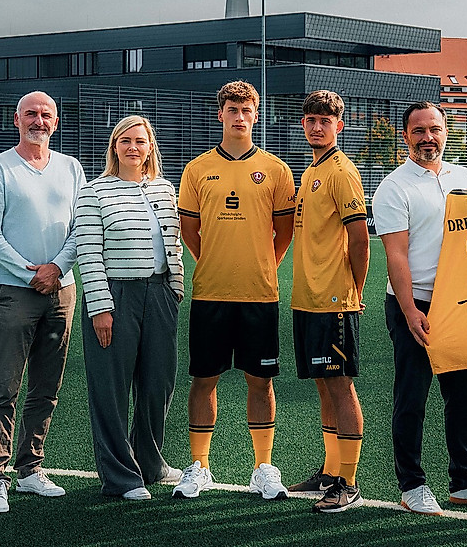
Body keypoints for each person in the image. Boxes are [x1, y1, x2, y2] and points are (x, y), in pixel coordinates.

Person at [372, 101, 467, 516]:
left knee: (464, 396)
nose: (428, 138)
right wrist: (410, 311)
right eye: (419, 131)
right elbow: (396, 257)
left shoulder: (463, 177)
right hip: (413, 303)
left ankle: (466, 481)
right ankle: (412, 484)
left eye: (435, 129)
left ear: (445, 132)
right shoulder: (394, 187)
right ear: (405, 137)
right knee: (412, 397)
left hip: (460, 304)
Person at [174, 80, 297, 500]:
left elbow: (283, 233)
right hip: (210, 293)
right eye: (232, 109)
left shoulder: (277, 170)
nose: (239, 117)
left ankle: (263, 467)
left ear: (256, 115)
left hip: (260, 294)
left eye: (247, 110)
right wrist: (216, 260)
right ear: (220, 114)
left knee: (260, 381)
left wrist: (261, 263)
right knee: (203, 379)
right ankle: (199, 466)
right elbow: (190, 231)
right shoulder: (196, 168)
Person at [0, 91, 86, 513]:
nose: (38, 121)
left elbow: (81, 226)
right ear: (16, 119)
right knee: (5, 385)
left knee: (47, 386)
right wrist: (31, 273)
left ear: (55, 122)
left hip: (62, 290)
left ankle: (31, 469)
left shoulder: (71, 168)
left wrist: (56, 268)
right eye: (31, 114)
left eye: (46, 115)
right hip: (15, 291)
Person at [73, 115, 184, 500]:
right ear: (114, 147)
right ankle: (121, 477)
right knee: (111, 388)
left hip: (160, 295)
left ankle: (150, 463)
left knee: (159, 383)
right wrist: (101, 307)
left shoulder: (165, 189)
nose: (133, 147)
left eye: (140, 141)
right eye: (125, 141)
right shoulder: (94, 192)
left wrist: (175, 290)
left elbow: (173, 244)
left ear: (150, 146)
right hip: (116, 296)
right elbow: (88, 253)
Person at [286, 90, 369, 513]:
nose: (317, 126)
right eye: (311, 119)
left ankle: (348, 482)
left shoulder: (341, 171)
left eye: (326, 120)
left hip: (335, 300)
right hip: (308, 299)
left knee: (340, 386)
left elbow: (360, 239)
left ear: (340, 125)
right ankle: (330, 470)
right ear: (304, 124)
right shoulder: (312, 170)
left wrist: (355, 291)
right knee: (323, 385)